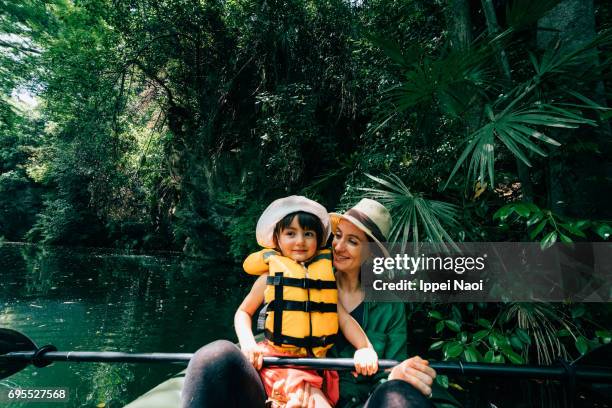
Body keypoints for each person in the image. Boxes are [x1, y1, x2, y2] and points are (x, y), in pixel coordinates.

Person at [181, 198, 444, 408]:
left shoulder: (390, 305)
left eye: (352, 241)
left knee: (397, 394)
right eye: (338, 235)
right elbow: (246, 313)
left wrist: (395, 375)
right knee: (214, 356)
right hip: (288, 380)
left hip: (352, 399)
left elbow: (391, 367)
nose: (339, 246)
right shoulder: (307, 275)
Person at [236, 196, 378, 407]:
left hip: (316, 365)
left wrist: (365, 348)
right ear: (277, 239)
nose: (300, 241)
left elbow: (344, 319)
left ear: (318, 239)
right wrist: (248, 343)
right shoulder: (268, 278)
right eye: (291, 233)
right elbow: (243, 313)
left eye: (308, 234)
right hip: (281, 363)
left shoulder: (323, 282)